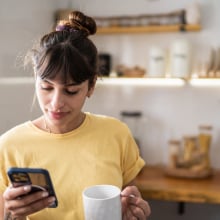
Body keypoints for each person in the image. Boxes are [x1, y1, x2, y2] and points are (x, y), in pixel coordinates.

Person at [0, 10, 151, 220]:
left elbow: (128, 200)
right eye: (46, 87)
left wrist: (134, 212)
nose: (56, 103)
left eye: (71, 90)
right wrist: (8, 214)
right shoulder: (8, 145)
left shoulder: (116, 134)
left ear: (91, 86)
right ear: (36, 78)